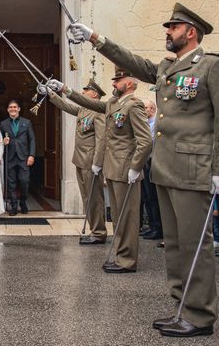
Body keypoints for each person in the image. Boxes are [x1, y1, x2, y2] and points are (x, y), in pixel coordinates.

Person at [67, 2, 219, 337]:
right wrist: (95, 38)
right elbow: (134, 62)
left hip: (193, 170)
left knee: (194, 245)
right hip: (165, 169)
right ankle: (182, 306)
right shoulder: (166, 68)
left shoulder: (211, 67)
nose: (167, 32)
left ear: (190, 32)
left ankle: (200, 315)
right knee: (174, 245)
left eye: (172, 27)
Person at [55, 69, 153, 270]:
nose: (114, 83)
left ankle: (127, 260)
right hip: (113, 167)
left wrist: (136, 167)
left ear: (130, 83)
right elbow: (88, 104)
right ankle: (120, 255)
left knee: (127, 216)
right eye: (114, 80)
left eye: (119, 80)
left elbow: (145, 141)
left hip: (126, 169)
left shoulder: (134, 105)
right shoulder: (113, 104)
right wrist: (63, 90)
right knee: (118, 216)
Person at [48, 79, 106, 244]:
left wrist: (98, 162)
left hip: (90, 161)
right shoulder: (84, 109)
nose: (83, 91)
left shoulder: (98, 112)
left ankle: (99, 232)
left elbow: (102, 139)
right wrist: (51, 94)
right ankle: (94, 229)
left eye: (86, 90)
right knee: (87, 197)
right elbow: (67, 107)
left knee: (94, 198)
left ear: (94, 94)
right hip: (79, 159)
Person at [0, 100, 36, 216]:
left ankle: (23, 201)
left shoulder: (27, 122)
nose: (13, 109)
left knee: (24, 181)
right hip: (9, 157)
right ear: (7, 109)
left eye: (15, 107)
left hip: (24, 157)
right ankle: (14, 206)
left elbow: (32, 140)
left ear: (19, 109)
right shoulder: (3, 124)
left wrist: (32, 155)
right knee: (11, 183)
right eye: (10, 107)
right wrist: (3, 142)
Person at [140, 99, 162, 241]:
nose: (143, 110)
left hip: (153, 163)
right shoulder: (145, 124)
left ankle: (158, 228)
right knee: (147, 197)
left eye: (145, 108)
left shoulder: (156, 125)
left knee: (153, 198)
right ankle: (152, 226)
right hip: (145, 164)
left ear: (152, 109)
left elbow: (151, 143)